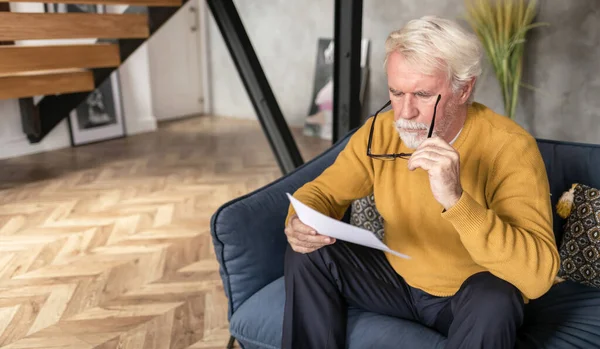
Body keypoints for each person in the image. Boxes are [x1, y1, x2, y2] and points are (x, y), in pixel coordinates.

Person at [282, 15, 560, 349]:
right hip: (395, 282)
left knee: (496, 297)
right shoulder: (382, 131)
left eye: (423, 95)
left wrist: (457, 201)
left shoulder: (510, 147)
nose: (405, 112)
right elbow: (322, 191)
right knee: (308, 253)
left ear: (464, 89)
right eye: (396, 92)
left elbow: (538, 276)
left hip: (465, 300)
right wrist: (300, 221)